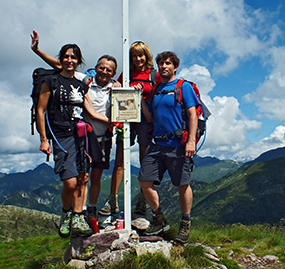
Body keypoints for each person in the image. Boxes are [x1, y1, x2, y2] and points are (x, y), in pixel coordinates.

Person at [31, 30, 120, 220]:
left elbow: (98, 111)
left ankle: (86, 213)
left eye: (109, 70)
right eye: (101, 67)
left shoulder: (106, 87)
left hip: (94, 137)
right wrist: (37, 51)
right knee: (75, 180)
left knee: (89, 178)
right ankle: (72, 213)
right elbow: (60, 66)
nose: (104, 71)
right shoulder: (79, 80)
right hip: (74, 135)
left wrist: (117, 120)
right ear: (95, 67)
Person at [139, 51, 200, 244]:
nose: (163, 66)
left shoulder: (184, 87)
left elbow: (192, 115)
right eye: (161, 64)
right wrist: (139, 98)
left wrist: (191, 142)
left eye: (167, 63)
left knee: (183, 185)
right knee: (144, 181)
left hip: (178, 146)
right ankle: (159, 218)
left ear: (175, 66)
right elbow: (149, 117)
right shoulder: (156, 89)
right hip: (156, 145)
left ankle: (185, 223)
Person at [99, 41, 161, 217]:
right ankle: (113, 201)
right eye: (134, 55)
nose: (138, 59)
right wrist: (117, 86)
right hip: (126, 118)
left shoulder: (153, 74)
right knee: (120, 160)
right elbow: (116, 90)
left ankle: (142, 201)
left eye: (140, 55)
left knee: (144, 162)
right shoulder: (126, 74)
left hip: (145, 120)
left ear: (146, 56)